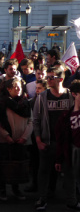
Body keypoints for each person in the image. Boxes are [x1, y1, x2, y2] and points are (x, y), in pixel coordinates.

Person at [33, 67, 74, 211]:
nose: (48, 80)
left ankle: (72, 200)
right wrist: (38, 140)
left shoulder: (70, 96)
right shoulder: (42, 96)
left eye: (51, 77)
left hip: (67, 142)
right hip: (48, 141)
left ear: (60, 79)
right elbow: (36, 120)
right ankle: (42, 198)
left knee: (70, 171)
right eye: (47, 77)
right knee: (44, 171)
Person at [0, 78, 32, 201]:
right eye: (15, 87)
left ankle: (16, 190)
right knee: (5, 166)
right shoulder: (2, 103)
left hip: (21, 141)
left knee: (17, 166)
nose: (18, 89)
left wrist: (24, 137)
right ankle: (2, 191)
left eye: (20, 87)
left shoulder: (25, 102)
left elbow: (31, 121)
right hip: (5, 141)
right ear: (8, 89)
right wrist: (6, 136)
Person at [54, 80, 80, 210]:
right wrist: (59, 159)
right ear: (74, 94)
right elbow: (62, 140)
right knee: (71, 178)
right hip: (73, 152)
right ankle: (72, 202)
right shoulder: (66, 116)